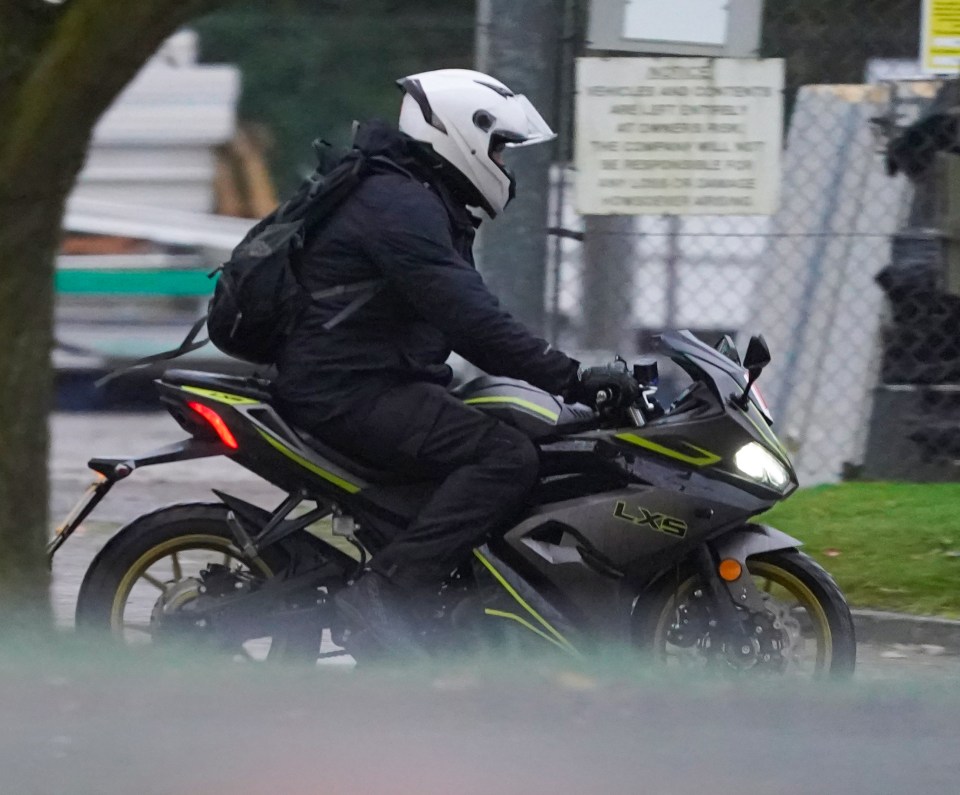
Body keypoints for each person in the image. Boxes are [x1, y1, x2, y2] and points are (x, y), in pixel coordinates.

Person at [274, 69, 638, 652]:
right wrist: (571, 378)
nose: (503, 162)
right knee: (504, 456)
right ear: (460, 134)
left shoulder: (411, 195)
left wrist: (563, 379)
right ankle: (386, 593)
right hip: (347, 388)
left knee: (517, 425)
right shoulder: (399, 206)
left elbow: (462, 320)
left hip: (372, 377)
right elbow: (471, 320)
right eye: (498, 146)